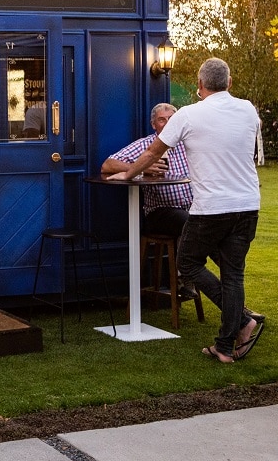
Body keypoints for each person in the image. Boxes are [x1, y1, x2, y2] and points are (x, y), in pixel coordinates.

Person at [108, 58, 265, 364]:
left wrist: (127, 175)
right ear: (229, 83)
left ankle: (242, 324)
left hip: (211, 208)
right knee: (233, 275)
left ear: (199, 85)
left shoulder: (189, 115)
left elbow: (153, 151)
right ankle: (225, 343)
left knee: (188, 264)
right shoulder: (248, 109)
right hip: (248, 204)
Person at [101, 103, 191, 240]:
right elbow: (107, 165)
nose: (167, 124)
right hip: (161, 212)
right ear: (154, 125)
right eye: (162, 120)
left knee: (213, 224)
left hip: (194, 207)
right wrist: (141, 167)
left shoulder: (187, 143)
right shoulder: (145, 145)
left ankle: (220, 261)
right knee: (193, 225)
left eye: (171, 119)